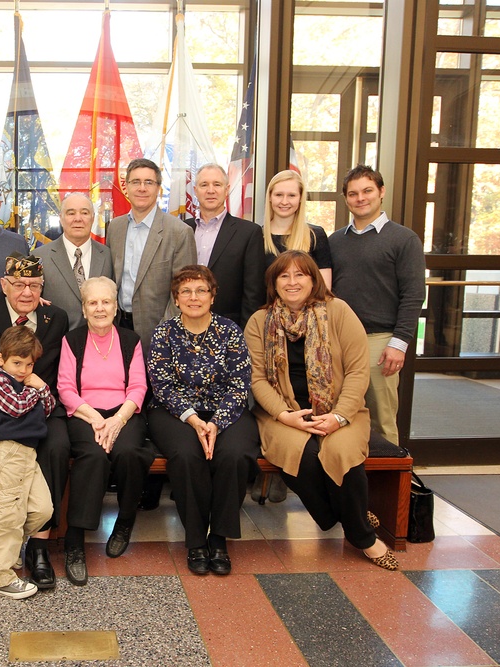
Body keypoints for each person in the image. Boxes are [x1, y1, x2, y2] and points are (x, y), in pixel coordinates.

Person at [244, 250, 399, 571]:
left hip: (340, 409)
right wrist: (285, 416)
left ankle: (360, 534)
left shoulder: (338, 311)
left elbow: (358, 371)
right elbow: (256, 379)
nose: (292, 282)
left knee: (341, 451)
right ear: (273, 283)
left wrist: (340, 416)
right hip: (282, 414)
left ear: (313, 279)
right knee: (303, 455)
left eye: (300, 274)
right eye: (284, 276)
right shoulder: (260, 322)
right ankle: (350, 519)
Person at [146, 265, 260, 576]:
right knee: (186, 455)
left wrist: (217, 423)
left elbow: (240, 383)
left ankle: (219, 539)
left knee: (234, 454)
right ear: (176, 298)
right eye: (186, 291)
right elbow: (162, 385)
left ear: (212, 296)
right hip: (175, 412)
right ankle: (196, 540)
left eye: (201, 291)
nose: (193, 297)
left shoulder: (230, 331)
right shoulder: (163, 333)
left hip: (226, 410)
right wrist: (195, 420)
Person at [0, 253, 69, 589]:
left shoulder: (56, 316)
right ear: (4, 285)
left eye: (33, 285)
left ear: (43, 287)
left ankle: (39, 547)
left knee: (57, 447)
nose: (26, 292)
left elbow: (55, 371)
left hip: (43, 405)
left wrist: (41, 394)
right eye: (18, 284)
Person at [57, 276, 151, 585]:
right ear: (83, 309)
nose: (100, 308)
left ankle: (124, 521)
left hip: (124, 413)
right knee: (94, 456)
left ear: (116, 306)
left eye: (106, 301)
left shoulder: (130, 340)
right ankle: (74, 542)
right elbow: (66, 389)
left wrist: (118, 420)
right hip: (85, 414)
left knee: (130, 453)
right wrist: (96, 418)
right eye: (93, 303)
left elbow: (138, 386)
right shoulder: (72, 341)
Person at [329, 165, 425, 444]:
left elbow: (414, 294)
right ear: (346, 199)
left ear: (381, 192)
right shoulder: (335, 241)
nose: (360, 198)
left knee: (382, 420)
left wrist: (399, 343)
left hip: (380, 342)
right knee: (340, 415)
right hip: (338, 340)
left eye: (367, 191)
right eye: (353, 193)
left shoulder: (403, 239)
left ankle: (387, 483)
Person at [0, 325, 55, 599]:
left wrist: (42, 388)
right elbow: (16, 407)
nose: (23, 370)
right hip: (8, 452)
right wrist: (37, 389)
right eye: (17, 363)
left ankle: (6, 551)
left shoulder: (28, 383)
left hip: (28, 453)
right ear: (1, 359)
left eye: (28, 364)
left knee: (42, 510)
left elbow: (48, 409)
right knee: (7, 516)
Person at [107, 158, 197, 349]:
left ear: (158, 188)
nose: (142, 188)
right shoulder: (115, 227)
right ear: (127, 187)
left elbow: (184, 290)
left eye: (149, 182)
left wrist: (165, 333)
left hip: (158, 331)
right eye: (135, 182)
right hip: (116, 327)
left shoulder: (179, 232)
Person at [186, 163, 264, 327]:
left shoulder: (249, 233)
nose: (211, 190)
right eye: (204, 185)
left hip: (229, 328)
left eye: (217, 184)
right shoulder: (182, 229)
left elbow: (253, 293)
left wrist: (244, 336)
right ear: (195, 190)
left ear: (227, 189)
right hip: (185, 325)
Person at [33, 192, 114, 329]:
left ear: (93, 218)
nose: (78, 219)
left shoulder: (108, 255)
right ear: (61, 218)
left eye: (84, 213)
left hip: (101, 342)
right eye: (71, 213)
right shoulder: (39, 257)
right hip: (56, 344)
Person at [263, 170, 333, 288]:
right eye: (279, 195)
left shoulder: (316, 235)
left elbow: (324, 289)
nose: (284, 201)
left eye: (291, 195)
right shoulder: (256, 236)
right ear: (270, 197)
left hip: (308, 306)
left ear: (300, 198)